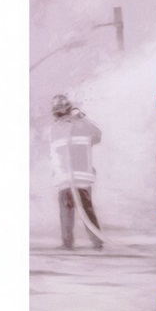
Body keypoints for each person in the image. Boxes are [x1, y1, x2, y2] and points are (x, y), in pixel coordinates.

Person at [49, 94, 103, 250]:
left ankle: (68, 243)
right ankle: (96, 242)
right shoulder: (81, 125)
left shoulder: (54, 129)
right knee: (86, 210)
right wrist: (82, 118)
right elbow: (97, 136)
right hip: (80, 179)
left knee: (67, 211)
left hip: (66, 179)